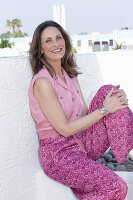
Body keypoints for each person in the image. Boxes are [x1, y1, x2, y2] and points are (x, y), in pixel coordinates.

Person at [28, 20, 133, 200]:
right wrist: (104, 110)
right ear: (40, 49)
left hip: (81, 142)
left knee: (108, 91)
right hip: (59, 154)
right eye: (48, 41)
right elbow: (65, 129)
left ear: (65, 41)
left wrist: (113, 103)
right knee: (116, 187)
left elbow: (84, 114)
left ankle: (125, 146)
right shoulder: (43, 82)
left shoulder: (69, 74)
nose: (55, 44)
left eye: (58, 38)